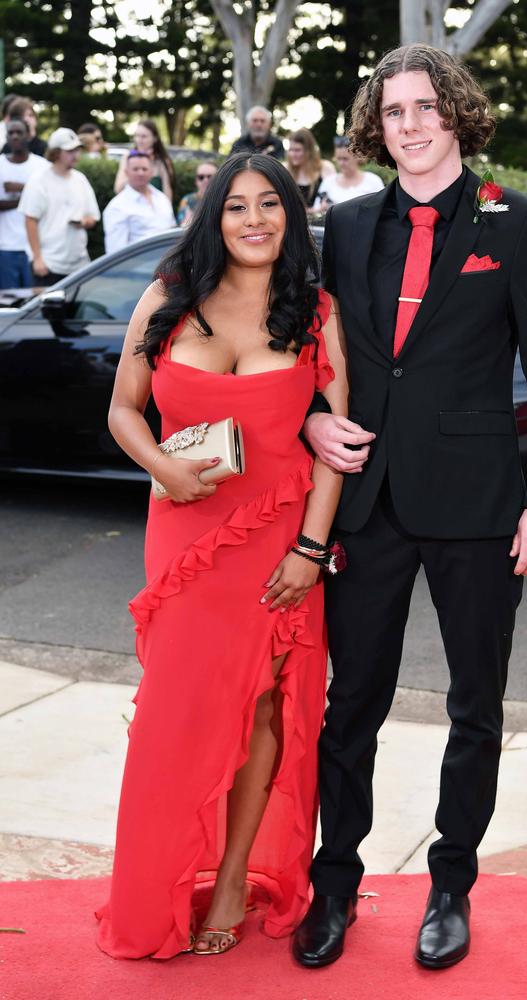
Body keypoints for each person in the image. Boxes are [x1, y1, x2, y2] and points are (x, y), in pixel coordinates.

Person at [294, 43, 527, 971]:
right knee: (352, 706)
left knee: (475, 706)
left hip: (481, 504)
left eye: (424, 107)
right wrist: (308, 423)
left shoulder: (518, 223)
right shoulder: (345, 223)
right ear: (374, 129)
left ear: (455, 113)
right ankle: (334, 884)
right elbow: (311, 353)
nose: (409, 125)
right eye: (392, 112)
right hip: (367, 502)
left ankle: (451, 883)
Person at [95, 151, 349, 960]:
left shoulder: (314, 312)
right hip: (186, 537)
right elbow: (124, 411)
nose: (253, 221)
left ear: (290, 216)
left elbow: (337, 446)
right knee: (178, 714)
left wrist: (313, 549)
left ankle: (235, 877)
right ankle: (159, 879)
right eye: (236, 207)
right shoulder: (168, 298)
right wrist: (162, 465)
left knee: (266, 706)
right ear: (214, 217)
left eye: (269, 205)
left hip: (280, 540)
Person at [18, 127, 100, 285]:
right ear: (55, 153)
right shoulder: (39, 180)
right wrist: (37, 259)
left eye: (77, 149)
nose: (75, 154)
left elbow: (93, 218)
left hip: (80, 266)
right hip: (49, 265)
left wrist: (82, 222)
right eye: (70, 151)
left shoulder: (80, 180)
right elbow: (30, 220)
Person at [0, 119, 47, 288]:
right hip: (6, 247)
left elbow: (47, 202)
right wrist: (28, 198)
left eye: (19, 132)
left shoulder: (42, 166)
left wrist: (20, 188)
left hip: (37, 249)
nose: (15, 136)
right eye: (11, 133)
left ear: (28, 135)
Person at [103, 151, 176, 254]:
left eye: (144, 169)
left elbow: (172, 234)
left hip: (169, 266)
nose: (140, 173)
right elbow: (115, 253)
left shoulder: (162, 199)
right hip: (138, 268)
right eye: (135, 169)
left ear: (151, 172)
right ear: (126, 172)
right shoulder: (117, 207)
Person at [114, 119, 174, 201]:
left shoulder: (162, 161)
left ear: (155, 138)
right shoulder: (128, 157)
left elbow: (167, 193)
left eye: (144, 136)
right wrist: (134, 174)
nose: (139, 140)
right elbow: (118, 189)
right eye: (137, 136)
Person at [317, 136, 384, 208]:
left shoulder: (373, 181)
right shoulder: (328, 182)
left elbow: (383, 208)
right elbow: (315, 210)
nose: (341, 163)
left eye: (345, 159)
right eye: (338, 159)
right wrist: (322, 208)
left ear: (357, 157)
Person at [285, 128, 335, 214]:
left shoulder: (325, 167)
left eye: (297, 150)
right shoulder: (285, 169)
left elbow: (333, 197)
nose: (292, 154)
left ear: (309, 151)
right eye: (290, 150)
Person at [176, 160, 218, 226]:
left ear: (219, 179)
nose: (205, 180)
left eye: (210, 177)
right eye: (201, 177)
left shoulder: (224, 199)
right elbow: (182, 226)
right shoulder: (187, 200)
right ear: (196, 180)